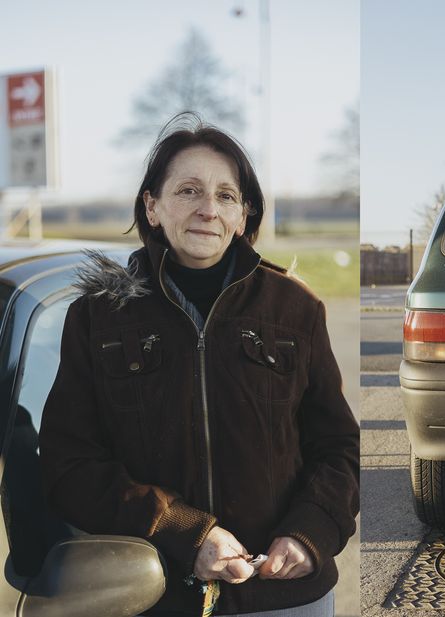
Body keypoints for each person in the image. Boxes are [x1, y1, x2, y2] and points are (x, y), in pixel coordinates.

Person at [38, 114, 359, 616]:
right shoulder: (97, 317)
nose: (208, 209)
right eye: (188, 191)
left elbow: (338, 447)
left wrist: (311, 530)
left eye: (226, 196)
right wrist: (184, 532)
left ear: (243, 214)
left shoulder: (295, 309)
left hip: (283, 598)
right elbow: (68, 465)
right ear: (153, 205)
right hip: (152, 596)